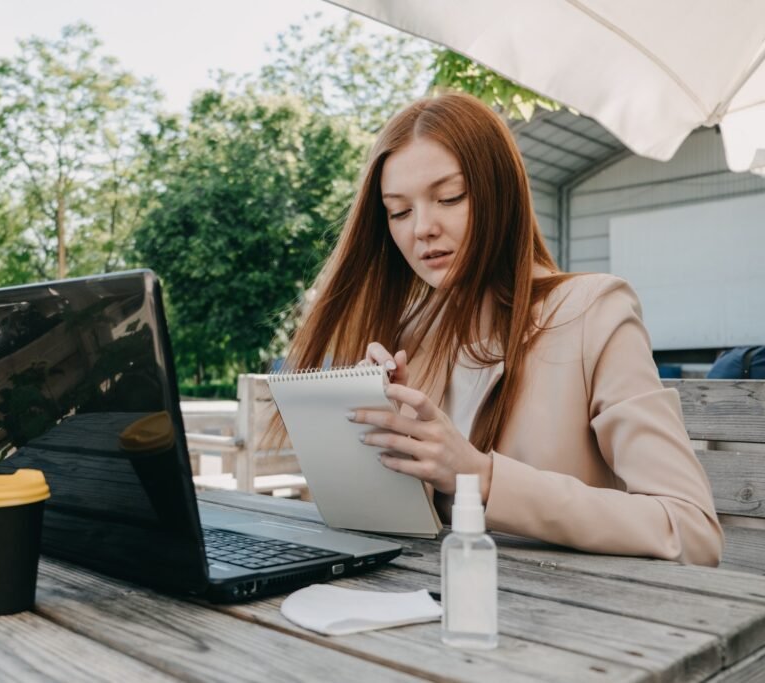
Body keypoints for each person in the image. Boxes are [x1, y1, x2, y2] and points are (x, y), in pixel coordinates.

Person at [284, 92, 722, 566]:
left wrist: (484, 477)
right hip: (429, 611)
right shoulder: (408, 337)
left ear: (499, 193)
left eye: (448, 197)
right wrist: (377, 448)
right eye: (399, 211)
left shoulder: (594, 313)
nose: (422, 228)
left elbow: (692, 532)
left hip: (576, 620)